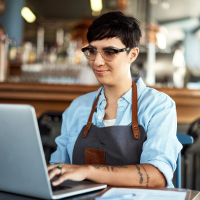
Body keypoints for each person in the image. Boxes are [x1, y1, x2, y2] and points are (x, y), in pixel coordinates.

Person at [48, 11, 182, 188]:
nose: (97, 62)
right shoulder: (78, 107)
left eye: (109, 52)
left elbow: (157, 176)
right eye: (92, 51)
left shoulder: (158, 105)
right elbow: (58, 166)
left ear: (132, 55)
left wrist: (88, 171)